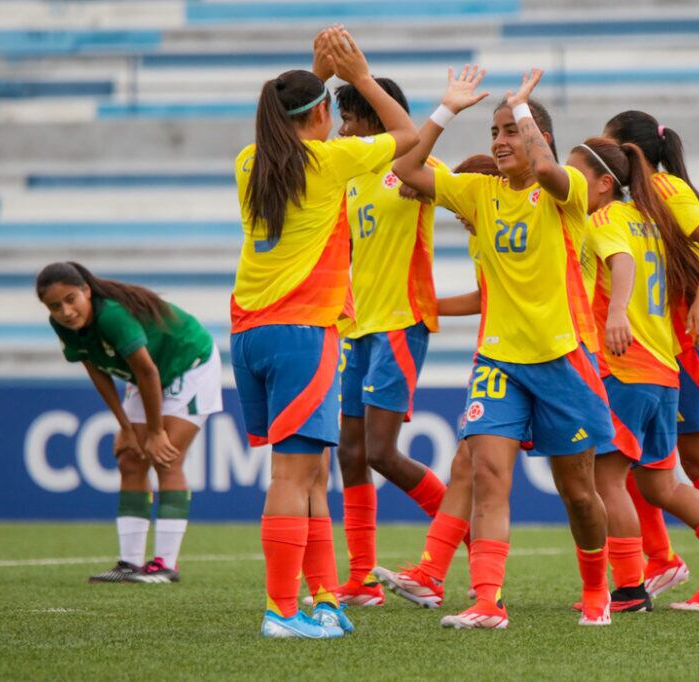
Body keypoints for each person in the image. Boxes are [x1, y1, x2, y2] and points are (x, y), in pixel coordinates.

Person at [394, 67, 615, 629]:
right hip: (498, 360)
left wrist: (520, 106)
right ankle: (488, 601)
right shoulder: (480, 193)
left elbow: (546, 168)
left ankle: (598, 589)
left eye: (510, 131)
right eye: (494, 132)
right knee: (488, 476)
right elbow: (407, 169)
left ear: (537, 136)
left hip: (563, 359)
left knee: (578, 494)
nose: (499, 140)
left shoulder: (567, 192)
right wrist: (447, 110)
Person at [230, 27, 418, 639]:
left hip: (251, 332)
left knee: (309, 473)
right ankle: (282, 611)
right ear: (319, 116)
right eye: (329, 111)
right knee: (293, 476)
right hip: (301, 331)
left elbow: (283, 119)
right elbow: (408, 135)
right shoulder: (329, 162)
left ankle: (322, 597)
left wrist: (317, 78)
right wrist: (359, 76)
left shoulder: (248, 162)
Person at [567, 138, 699, 613]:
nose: (570, 183)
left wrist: (616, 312)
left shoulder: (604, 219)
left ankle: (630, 588)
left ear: (604, 183)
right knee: (660, 485)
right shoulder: (649, 220)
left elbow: (621, 264)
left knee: (606, 479)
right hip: (664, 370)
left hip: (625, 366)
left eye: (576, 175)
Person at [604, 111, 699, 610]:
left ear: (630, 151)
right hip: (663, 346)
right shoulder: (631, 204)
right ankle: (660, 560)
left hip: (695, 343)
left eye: (610, 145)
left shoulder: (665, 189)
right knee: (635, 461)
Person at [332, 76, 447, 606]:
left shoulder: (417, 169)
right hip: (358, 329)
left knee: (380, 452)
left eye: (350, 119)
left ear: (376, 120)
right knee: (350, 454)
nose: (341, 129)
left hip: (401, 322)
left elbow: (469, 198)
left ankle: (462, 534)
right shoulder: (352, 178)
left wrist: (439, 191)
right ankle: (362, 579)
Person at [36, 261, 221, 585]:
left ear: (86, 291)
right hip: (146, 374)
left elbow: (148, 371)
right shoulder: (63, 325)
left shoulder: (112, 316)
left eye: (70, 299)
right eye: (55, 306)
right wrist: (124, 426)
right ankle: (130, 563)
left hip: (188, 363)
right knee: (130, 459)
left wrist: (156, 432)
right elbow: (96, 371)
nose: (65, 311)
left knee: (166, 457)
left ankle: (165, 565)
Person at [375, 154, 502, 608]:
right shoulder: (483, 236)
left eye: (461, 204)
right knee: (466, 465)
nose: (458, 214)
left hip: (550, 359)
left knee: (588, 478)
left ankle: (632, 574)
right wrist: (430, 304)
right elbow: (489, 296)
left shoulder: (517, 224)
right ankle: (431, 574)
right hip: (500, 360)